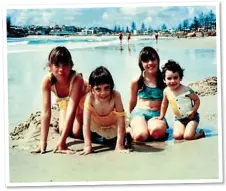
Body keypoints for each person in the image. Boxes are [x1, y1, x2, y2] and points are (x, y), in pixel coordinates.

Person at [31, 46, 87, 154]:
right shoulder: (47, 81)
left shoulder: (77, 79)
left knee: (76, 132)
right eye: (57, 65)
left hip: (84, 102)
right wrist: (43, 142)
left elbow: (72, 108)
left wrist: (62, 143)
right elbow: (46, 112)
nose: (61, 70)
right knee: (62, 130)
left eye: (65, 65)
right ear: (50, 67)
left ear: (71, 66)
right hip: (65, 102)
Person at [79, 66, 129, 155]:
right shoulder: (90, 98)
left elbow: (121, 121)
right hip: (97, 128)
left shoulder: (115, 96)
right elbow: (86, 123)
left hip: (114, 127)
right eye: (98, 89)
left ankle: (124, 138)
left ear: (112, 86)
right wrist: (87, 146)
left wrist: (120, 145)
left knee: (120, 138)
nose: (103, 93)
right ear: (91, 89)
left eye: (107, 88)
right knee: (98, 139)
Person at [157, 60, 205, 140]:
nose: (172, 81)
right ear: (164, 80)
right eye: (169, 78)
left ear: (181, 78)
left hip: (192, 118)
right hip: (179, 119)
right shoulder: (166, 91)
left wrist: (193, 111)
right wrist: (162, 116)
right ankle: (186, 129)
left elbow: (197, 100)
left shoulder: (186, 90)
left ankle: (200, 133)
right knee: (177, 136)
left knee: (188, 136)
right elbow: (164, 104)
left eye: (175, 77)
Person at [129, 46, 167, 142]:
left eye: (153, 59)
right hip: (139, 114)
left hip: (157, 115)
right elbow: (132, 101)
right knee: (140, 136)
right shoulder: (137, 81)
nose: (150, 63)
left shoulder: (165, 80)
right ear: (141, 64)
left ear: (157, 60)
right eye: (146, 61)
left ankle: (147, 127)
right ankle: (132, 130)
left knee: (156, 132)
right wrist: (128, 119)